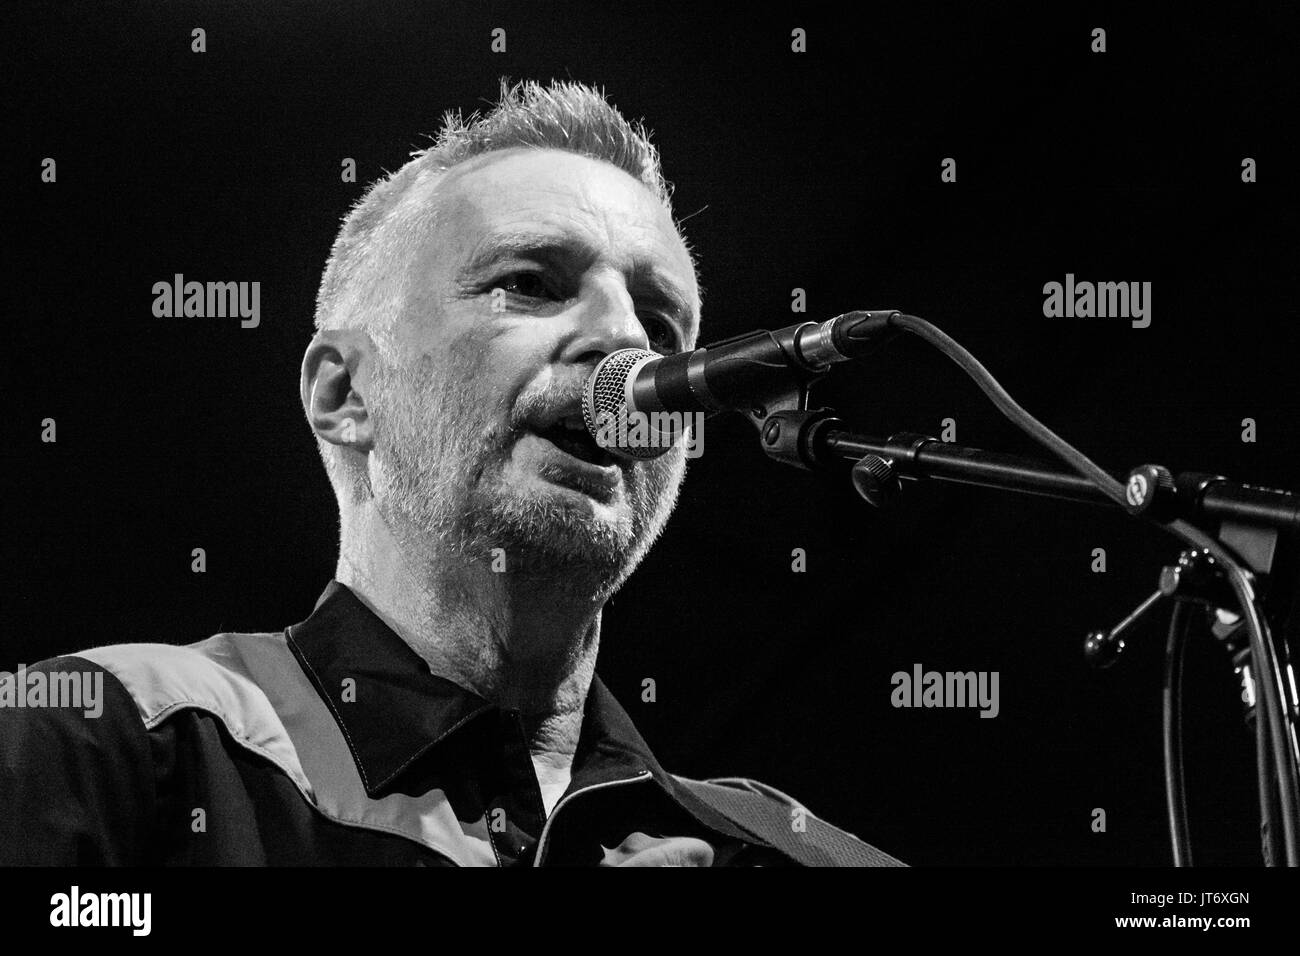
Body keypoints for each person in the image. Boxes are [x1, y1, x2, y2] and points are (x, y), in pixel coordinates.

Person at [0, 79, 902, 867]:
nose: (627, 343)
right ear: (346, 391)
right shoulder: (101, 741)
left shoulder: (782, 852)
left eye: (663, 327)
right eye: (533, 282)